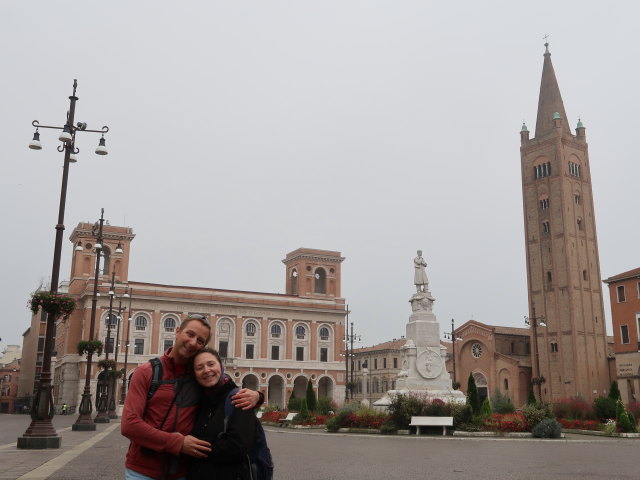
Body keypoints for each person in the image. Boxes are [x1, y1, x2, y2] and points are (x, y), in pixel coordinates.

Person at [121, 314, 262, 480]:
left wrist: (258, 396)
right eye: (190, 334)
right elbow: (129, 425)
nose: (193, 342)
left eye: (200, 341)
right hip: (143, 472)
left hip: (183, 473)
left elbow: (226, 390)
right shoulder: (147, 371)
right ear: (178, 331)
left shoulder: (199, 375)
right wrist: (178, 443)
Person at [188, 348, 256, 480]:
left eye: (211, 364)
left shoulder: (239, 398)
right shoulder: (199, 401)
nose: (207, 370)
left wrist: (194, 449)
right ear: (195, 374)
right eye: (200, 367)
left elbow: (238, 447)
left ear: (221, 366)